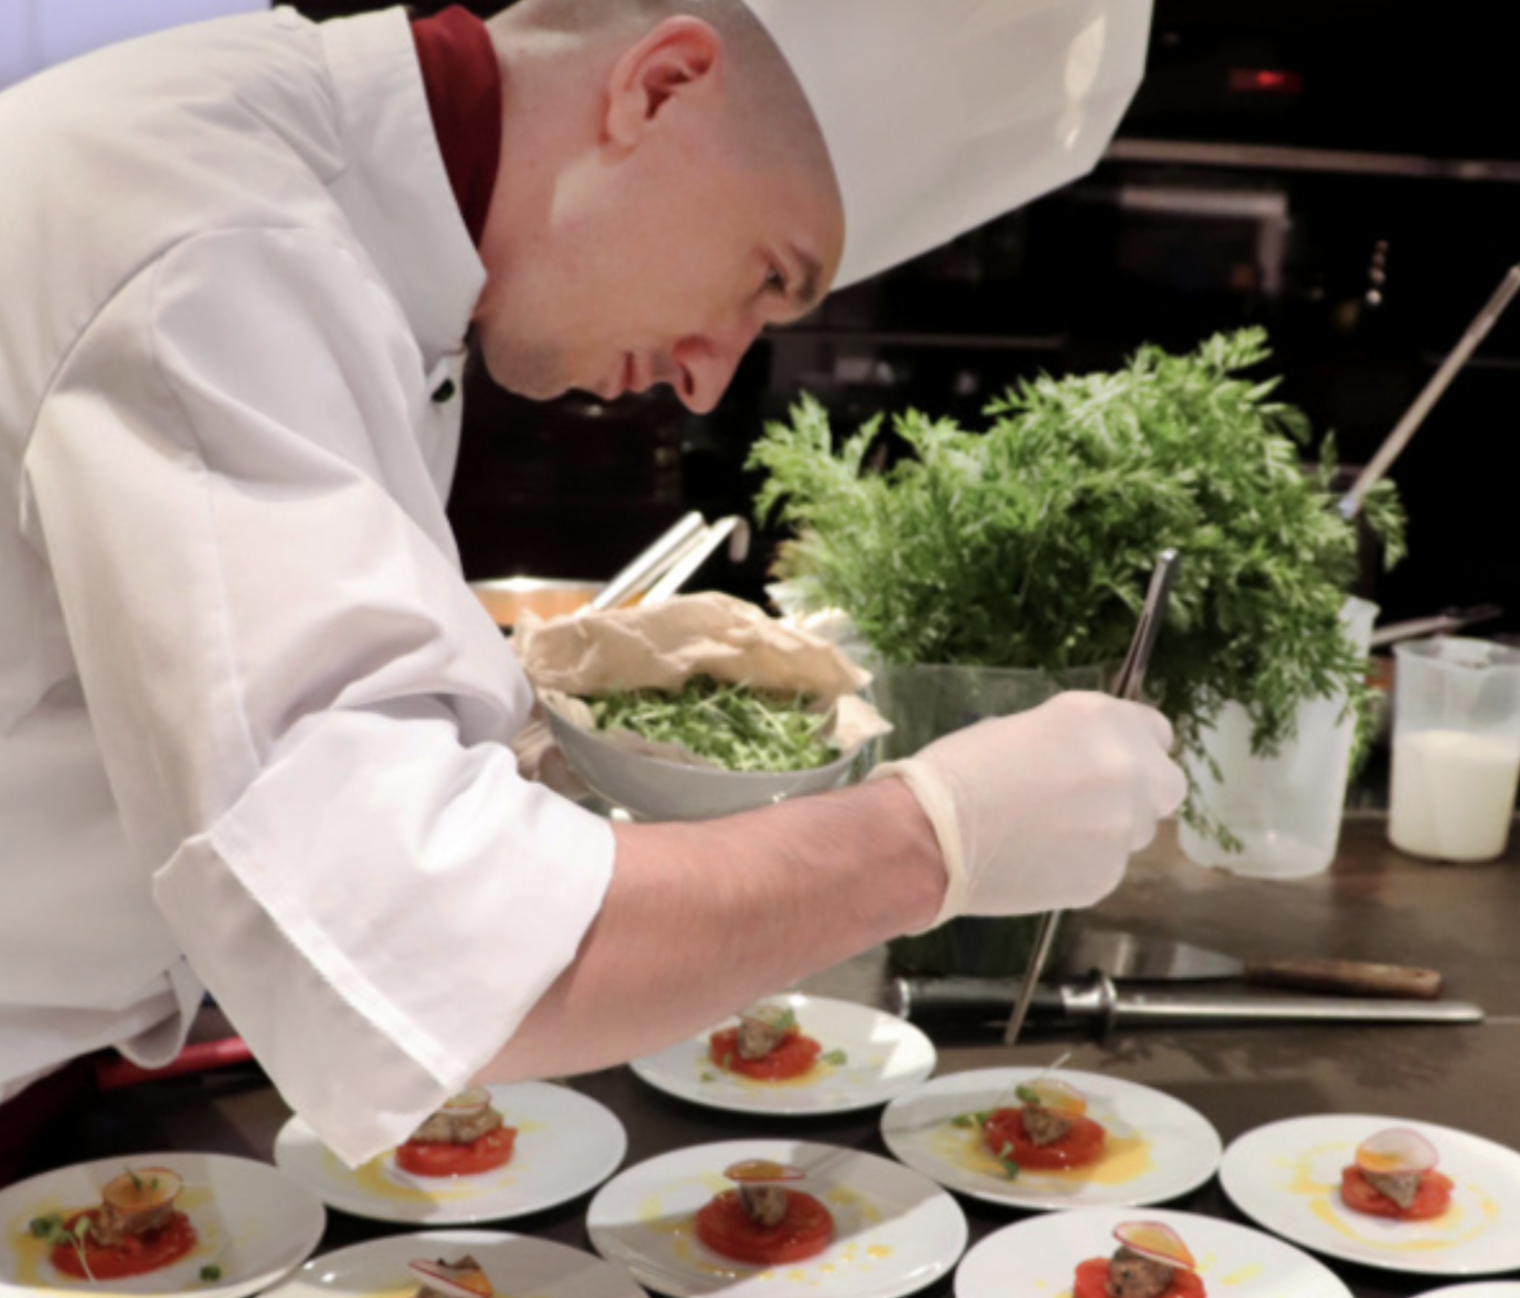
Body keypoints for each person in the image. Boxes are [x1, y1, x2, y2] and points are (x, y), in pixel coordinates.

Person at [0, 0, 1183, 1172]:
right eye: (766, 277)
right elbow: (416, 939)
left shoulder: (345, 216)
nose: (710, 378)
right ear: (658, 85)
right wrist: (929, 836)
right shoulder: (226, 246)